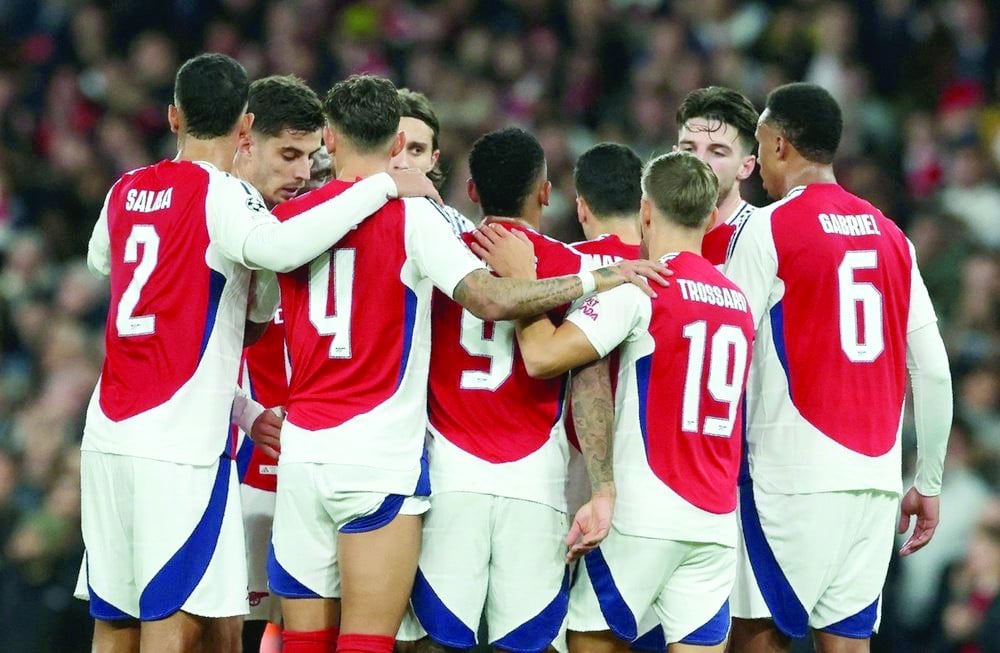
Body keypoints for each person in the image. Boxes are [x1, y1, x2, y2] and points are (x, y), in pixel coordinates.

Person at [265, 75, 668, 653]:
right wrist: (599, 276)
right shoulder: (446, 237)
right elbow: (564, 359)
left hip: (365, 457)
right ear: (546, 193)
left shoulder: (298, 221)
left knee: (383, 641)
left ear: (471, 190)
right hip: (474, 472)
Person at [77, 53, 442, 653]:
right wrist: (380, 183)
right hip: (179, 446)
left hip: (109, 434)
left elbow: (102, 262)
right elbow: (276, 247)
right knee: (174, 620)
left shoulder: (124, 187)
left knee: (118, 616)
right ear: (245, 128)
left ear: (173, 116)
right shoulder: (224, 195)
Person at [474, 150, 755, 652]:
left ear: (645, 210)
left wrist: (522, 282)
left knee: (588, 638)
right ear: (711, 217)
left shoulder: (640, 285)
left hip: (643, 511)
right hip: (714, 523)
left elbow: (541, 357)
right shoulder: (738, 302)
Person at [723, 82, 953, 653]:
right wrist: (926, 481)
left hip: (787, 478)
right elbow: (934, 371)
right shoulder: (894, 236)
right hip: (875, 484)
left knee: (759, 637)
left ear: (778, 145)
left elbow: (728, 349)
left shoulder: (767, 228)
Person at [406, 127, 585, 652]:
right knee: (527, 644)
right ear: (545, 193)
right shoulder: (570, 269)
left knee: (434, 641)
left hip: (447, 473)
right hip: (534, 481)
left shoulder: (436, 260)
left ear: (473, 192)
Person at [230, 73, 327, 653]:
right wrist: (245, 413)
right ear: (245, 138)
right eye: (289, 154)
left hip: (301, 456)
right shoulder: (220, 214)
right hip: (230, 459)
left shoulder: (316, 223)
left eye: (311, 158)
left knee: (292, 622)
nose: (301, 171)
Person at [673, 86, 758, 265]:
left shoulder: (764, 239)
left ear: (746, 167)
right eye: (688, 149)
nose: (699, 161)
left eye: (717, 152)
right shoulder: (648, 235)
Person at [392, 87, 475, 236]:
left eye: (416, 150)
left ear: (433, 159)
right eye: (392, 148)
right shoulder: (343, 218)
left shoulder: (460, 232)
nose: (402, 163)